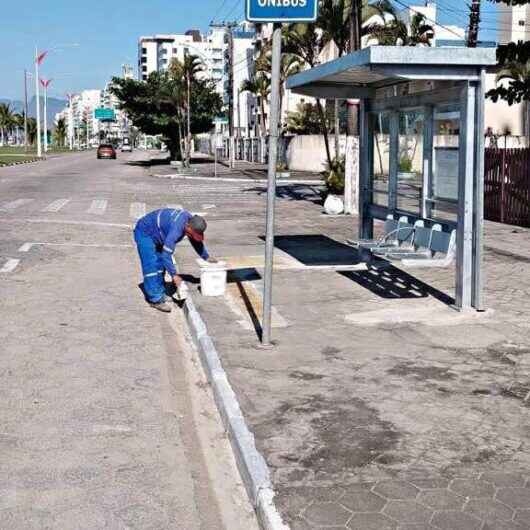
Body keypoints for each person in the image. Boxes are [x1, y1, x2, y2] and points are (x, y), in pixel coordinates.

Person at [134, 208, 216, 313]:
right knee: (151, 265)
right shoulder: (176, 229)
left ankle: (160, 293)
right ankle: (155, 300)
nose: (192, 236)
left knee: (160, 266)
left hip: (158, 234)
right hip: (145, 232)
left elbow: (196, 241)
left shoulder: (190, 222)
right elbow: (166, 255)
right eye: (192, 234)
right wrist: (174, 275)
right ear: (187, 227)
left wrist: (206, 257)